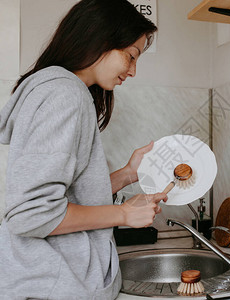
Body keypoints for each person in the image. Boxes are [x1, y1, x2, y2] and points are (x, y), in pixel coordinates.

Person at [0, 0, 167, 299]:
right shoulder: (63, 94)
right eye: (131, 56)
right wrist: (123, 214)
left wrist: (128, 174)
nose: (133, 71)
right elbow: (32, 215)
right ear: (101, 39)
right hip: (48, 285)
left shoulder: (60, 91)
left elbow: (61, 195)